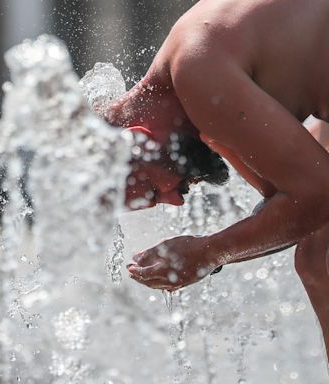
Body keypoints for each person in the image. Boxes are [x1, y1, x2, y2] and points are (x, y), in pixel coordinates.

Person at [105, 0, 329, 358]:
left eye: (151, 190)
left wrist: (209, 252)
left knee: (322, 259)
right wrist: (207, 254)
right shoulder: (190, 77)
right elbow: (289, 208)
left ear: (136, 139)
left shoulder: (196, 71)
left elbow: (316, 198)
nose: (175, 200)